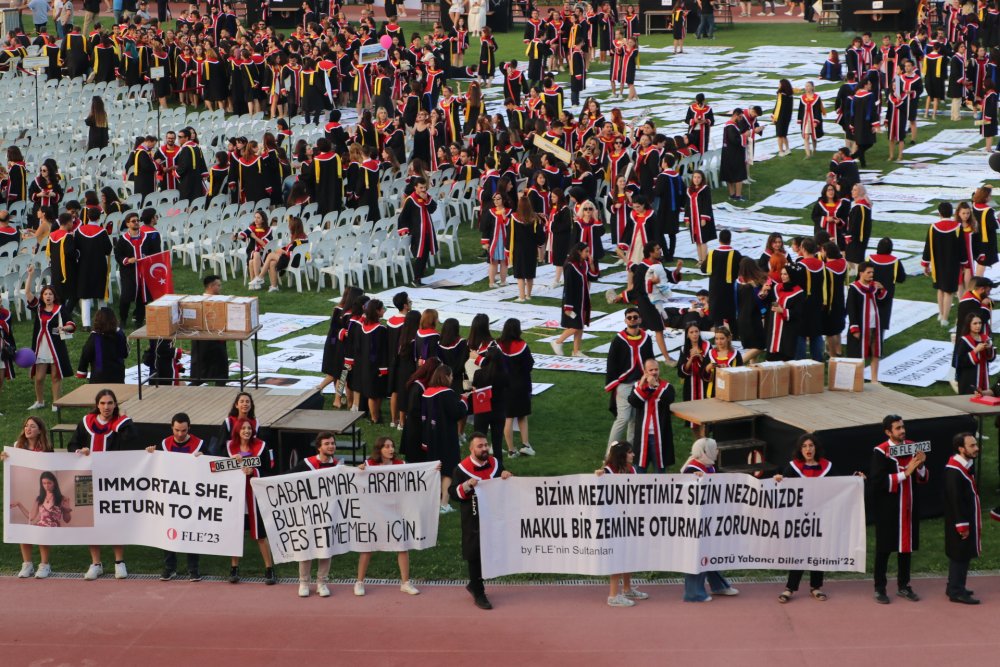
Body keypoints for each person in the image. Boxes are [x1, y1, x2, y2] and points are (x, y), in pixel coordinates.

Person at [772, 433, 864, 602]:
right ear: (800, 449)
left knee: (818, 551)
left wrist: (855, 480)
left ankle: (816, 587)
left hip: (821, 517)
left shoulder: (826, 467)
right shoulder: (794, 467)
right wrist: (778, 480)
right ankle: (790, 588)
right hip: (800, 519)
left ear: (816, 448)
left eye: (811, 445)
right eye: (805, 446)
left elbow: (840, 484)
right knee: (799, 552)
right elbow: (783, 485)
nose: (808, 449)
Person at [70, 389, 135, 580]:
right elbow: (72, 445)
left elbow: (130, 444)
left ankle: (119, 561)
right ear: (97, 404)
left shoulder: (120, 424)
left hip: (111, 479)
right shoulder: (86, 423)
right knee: (90, 520)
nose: (106, 407)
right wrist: (79, 450)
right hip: (86, 478)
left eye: (110, 403)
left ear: (115, 405)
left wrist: (124, 422)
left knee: (114, 518)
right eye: (103, 403)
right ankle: (96, 563)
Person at [449, 432, 513, 610]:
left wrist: (507, 475)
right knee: (475, 553)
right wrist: (467, 485)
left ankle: (475, 584)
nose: (484, 448)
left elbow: (503, 482)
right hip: (473, 518)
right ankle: (478, 591)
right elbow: (453, 493)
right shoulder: (461, 469)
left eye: (486, 445)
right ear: (471, 449)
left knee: (490, 551)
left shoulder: (495, 464)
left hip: (494, 516)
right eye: (480, 446)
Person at [355, 435, 426, 597]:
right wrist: (359, 471)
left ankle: (405, 582)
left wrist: (432, 469)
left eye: (392, 446)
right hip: (374, 510)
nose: (391, 449)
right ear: (379, 449)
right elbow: (357, 481)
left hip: (396, 511)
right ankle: (359, 581)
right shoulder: (369, 464)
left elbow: (417, 474)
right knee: (367, 547)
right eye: (386, 446)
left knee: (402, 546)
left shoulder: (401, 465)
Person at [870, 414, 928, 604]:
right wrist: (905, 473)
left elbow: (923, 476)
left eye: (903, 427)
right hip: (889, 508)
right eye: (897, 428)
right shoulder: (881, 451)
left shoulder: (913, 446)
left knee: (906, 548)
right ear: (888, 432)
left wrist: (920, 465)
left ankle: (904, 586)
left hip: (909, 506)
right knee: (884, 549)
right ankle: (880, 588)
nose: (902, 431)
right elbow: (877, 482)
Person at [145, 413, 205, 582]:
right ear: (172, 428)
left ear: (189, 428)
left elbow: (211, 465)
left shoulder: (199, 444)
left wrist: (204, 458)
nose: (180, 434)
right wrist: (150, 454)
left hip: (191, 495)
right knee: (168, 531)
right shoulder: (164, 444)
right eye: (177, 430)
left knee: (191, 531)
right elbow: (154, 465)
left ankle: (193, 569)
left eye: (184, 430)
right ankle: (170, 568)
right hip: (170, 495)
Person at [682, 438, 739, 601]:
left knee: (710, 553)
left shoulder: (709, 467)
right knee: (698, 554)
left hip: (709, 516)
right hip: (696, 519)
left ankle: (718, 585)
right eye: (714, 448)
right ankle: (693, 592)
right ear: (705, 451)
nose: (718, 451)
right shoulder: (692, 469)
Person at [2, 417, 59, 578]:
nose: (28, 429)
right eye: (26, 426)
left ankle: (45, 564)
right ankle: (27, 563)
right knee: (24, 526)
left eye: (32, 426)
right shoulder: (16, 447)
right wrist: (5, 457)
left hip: (41, 493)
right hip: (23, 488)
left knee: (43, 525)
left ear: (40, 430)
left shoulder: (47, 448)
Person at [595, 440, 649, 607]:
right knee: (617, 555)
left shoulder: (631, 470)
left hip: (629, 518)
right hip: (613, 520)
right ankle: (613, 595)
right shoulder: (608, 471)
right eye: (630, 452)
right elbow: (596, 485)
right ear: (621, 454)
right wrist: (597, 475)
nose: (633, 455)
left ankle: (626, 589)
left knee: (628, 554)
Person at [289, 431, 341, 598]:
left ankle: (322, 582)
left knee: (326, 548)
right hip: (308, 513)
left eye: (332, 443)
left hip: (329, 514)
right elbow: (287, 479)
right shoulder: (306, 464)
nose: (331, 446)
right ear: (319, 447)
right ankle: (304, 582)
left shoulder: (339, 466)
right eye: (327, 443)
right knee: (306, 546)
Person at [227, 418, 277, 586]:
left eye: (249, 428)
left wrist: (253, 470)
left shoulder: (261, 446)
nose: (247, 431)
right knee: (235, 533)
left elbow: (269, 469)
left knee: (260, 534)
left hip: (254, 495)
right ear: (237, 431)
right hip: (235, 496)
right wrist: (232, 464)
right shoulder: (229, 447)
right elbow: (215, 467)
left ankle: (269, 568)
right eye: (243, 428)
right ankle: (234, 568)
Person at [24, 264, 75, 411]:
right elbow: (27, 293)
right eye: (45, 294)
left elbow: (71, 324)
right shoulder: (38, 308)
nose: (47, 297)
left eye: (50, 294)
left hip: (56, 348)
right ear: (42, 296)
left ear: (54, 297)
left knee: (55, 376)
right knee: (39, 377)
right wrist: (30, 275)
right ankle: (40, 401)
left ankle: (56, 402)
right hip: (41, 348)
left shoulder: (60, 309)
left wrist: (64, 328)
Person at [943, 432, 982, 605]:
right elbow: (955, 499)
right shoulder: (954, 471)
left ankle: (955, 585)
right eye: (972, 446)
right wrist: (962, 525)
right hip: (960, 521)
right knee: (959, 554)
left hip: (965, 518)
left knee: (963, 554)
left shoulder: (964, 465)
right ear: (961, 448)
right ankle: (956, 591)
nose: (976, 448)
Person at [551, 242, 599, 357]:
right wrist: (568, 307)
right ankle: (557, 342)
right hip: (572, 302)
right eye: (586, 251)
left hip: (582, 301)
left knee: (580, 325)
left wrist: (592, 264)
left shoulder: (584, 264)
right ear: (579, 252)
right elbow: (568, 286)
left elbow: (593, 277)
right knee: (575, 325)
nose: (588, 254)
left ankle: (576, 351)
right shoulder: (570, 265)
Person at [628, 358, 675, 473]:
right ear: (645, 372)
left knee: (660, 471)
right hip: (642, 437)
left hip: (660, 436)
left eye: (656, 369)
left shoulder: (667, 386)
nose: (654, 372)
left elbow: (669, 399)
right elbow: (633, 402)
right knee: (639, 470)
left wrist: (655, 386)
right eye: (651, 370)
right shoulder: (637, 386)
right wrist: (643, 387)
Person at [922, 202, 964, 325]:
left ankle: (941, 314)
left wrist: (925, 264)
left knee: (940, 289)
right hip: (952, 263)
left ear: (939, 213)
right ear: (952, 212)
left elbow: (928, 247)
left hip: (937, 263)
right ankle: (945, 318)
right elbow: (961, 247)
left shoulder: (933, 227)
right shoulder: (957, 227)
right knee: (949, 291)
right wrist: (964, 264)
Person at [498, 318, 535, 457]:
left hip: (504, 386)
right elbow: (529, 365)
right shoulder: (522, 345)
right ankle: (525, 444)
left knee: (508, 417)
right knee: (522, 415)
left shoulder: (499, 345)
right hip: (521, 384)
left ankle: (511, 450)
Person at [846, 261, 887, 383]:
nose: (871, 275)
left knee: (875, 353)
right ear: (861, 273)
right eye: (868, 272)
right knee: (859, 354)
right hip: (862, 326)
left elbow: (882, 302)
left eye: (872, 272)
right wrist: (854, 328)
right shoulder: (854, 288)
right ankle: (858, 380)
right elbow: (851, 308)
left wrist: (882, 290)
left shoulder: (874, 287)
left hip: (875, 324)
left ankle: (874, 380)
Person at [248, 216, 307, 293]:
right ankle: (274, 286)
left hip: (294, 261)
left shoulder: (298, 239)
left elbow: (292, 252)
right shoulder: (303, 236)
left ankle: (260, 277)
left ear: (294, 227)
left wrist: (283, 252)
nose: (288, 227)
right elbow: (293, 248)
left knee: (270, 255)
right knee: (272, 263)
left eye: (290, 225)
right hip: (297, 259)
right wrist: (283, 250)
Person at [189, 275, 229, 385]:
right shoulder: (199, 302)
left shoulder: (221, 300)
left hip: (217, 337)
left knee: (220, 364)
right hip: (204, 340)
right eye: (218, 285)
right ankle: (196, 384)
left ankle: (220, 384)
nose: (220, 288)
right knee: (202, 366)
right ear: (211, 286)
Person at [75, 307, 128, 383]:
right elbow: (125, 353)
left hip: (99, 378)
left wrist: (82, 371)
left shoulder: (96, 337)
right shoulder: (119, 334)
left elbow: (86, 353)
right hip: (118, 375)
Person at [702, 230, 742, 329]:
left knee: (717, 317)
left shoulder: (712, 254)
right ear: (730, 240)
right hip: (729, 289)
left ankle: (719, 337)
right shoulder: (735, 254)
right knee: (731, 316)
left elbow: (703, 269)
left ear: (719, 240)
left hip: (715, 290)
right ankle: (735, 336)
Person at [764, 265, 803, 361]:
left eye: (785, 274)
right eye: (781, 274)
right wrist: (764, 293)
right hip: (773, 327)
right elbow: (773, 300)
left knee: (784, 360)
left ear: (791, 275)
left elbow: (798, 313)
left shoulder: (799, 293)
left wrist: (783, 311)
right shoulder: (776, 287)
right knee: (771, 360)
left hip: (787, 330)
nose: (782, 276)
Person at [954, 313, 995, 395]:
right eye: (975, 323)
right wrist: (975, 350)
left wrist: (989, 348)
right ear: (969, 325)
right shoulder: (964, 340)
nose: (978, 326)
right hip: (968, 379)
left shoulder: (985, 338)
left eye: (980, 323)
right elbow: (960, 362)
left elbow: (991, 359)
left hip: (983, 376)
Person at [685, 169, 715, 263]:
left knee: (703, 240)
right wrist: (687, 219)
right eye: (694, 177)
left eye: (698, 177)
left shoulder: (705, 189)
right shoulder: (689, 190)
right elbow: (687, 205)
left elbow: (707, 204)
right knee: (697, 240)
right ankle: (700, 259)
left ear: (702, 179)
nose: (696, 179)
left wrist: (704, 218)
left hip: (701, 219)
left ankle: (704, 261)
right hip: (693, 219)